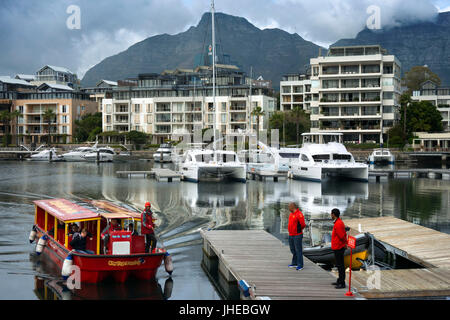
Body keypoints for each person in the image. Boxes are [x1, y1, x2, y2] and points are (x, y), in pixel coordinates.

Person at [331, 208, 348, 289]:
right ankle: (339, 280)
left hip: (339, 247)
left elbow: (342, 236)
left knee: (340, 265)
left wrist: (345, 243)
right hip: (337, 246)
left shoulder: (338, 224)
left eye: (331, 214)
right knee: (338, 265)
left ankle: (342, 283)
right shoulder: (338, 222)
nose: (331, 215)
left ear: (334, 215)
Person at [287, 202, 306, 271]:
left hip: (297, 235)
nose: (288, 208)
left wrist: (297, 230)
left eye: (289, 206)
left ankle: (300, 265)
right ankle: (294, 263)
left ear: (293, 207)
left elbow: (303, 225)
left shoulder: (299, 214)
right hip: (291, 235)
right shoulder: (291, 214)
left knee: (298, 250)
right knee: (292, 249)